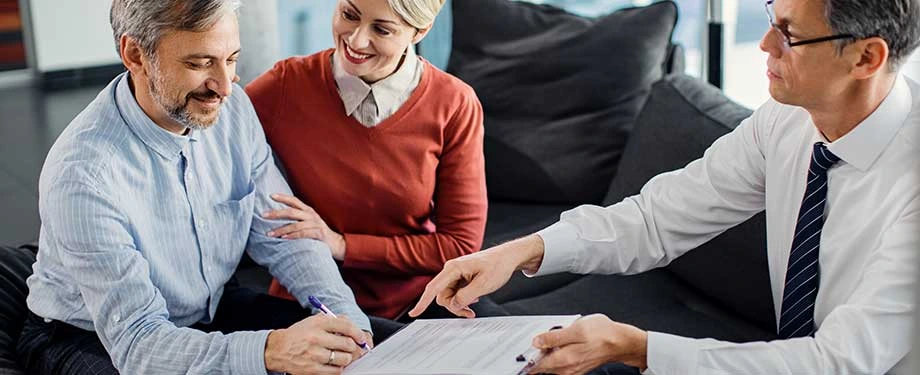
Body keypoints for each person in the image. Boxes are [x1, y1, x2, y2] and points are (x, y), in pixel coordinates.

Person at [410, 0, 920, 374]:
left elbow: (838, 362)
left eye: (789, 34)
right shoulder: (785, 120)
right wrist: (522, 250)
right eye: (771, 17)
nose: (766, 44)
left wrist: (638, 348)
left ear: (866, 58)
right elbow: (658, 218)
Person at [16, 1, 402, 374]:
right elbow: (139, 347)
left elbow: (285, 233)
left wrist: (345, 318)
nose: (225, 87)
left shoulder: (233, 111)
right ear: (135, 54)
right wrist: (272, 352)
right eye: (200, 63)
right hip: (92, 338)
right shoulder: (83, 174)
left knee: (387, 347)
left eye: (231, 59)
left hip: (209, 308)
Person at [245, 0, 505, 321]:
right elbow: (214, 136)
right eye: (349, 15)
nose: (356, 40)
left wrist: (342, 245)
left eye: (381, 30)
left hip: (422, 300)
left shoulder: (454, 103)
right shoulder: (285, 85)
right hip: (312, 303)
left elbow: (459, 245)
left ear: (419, 31)